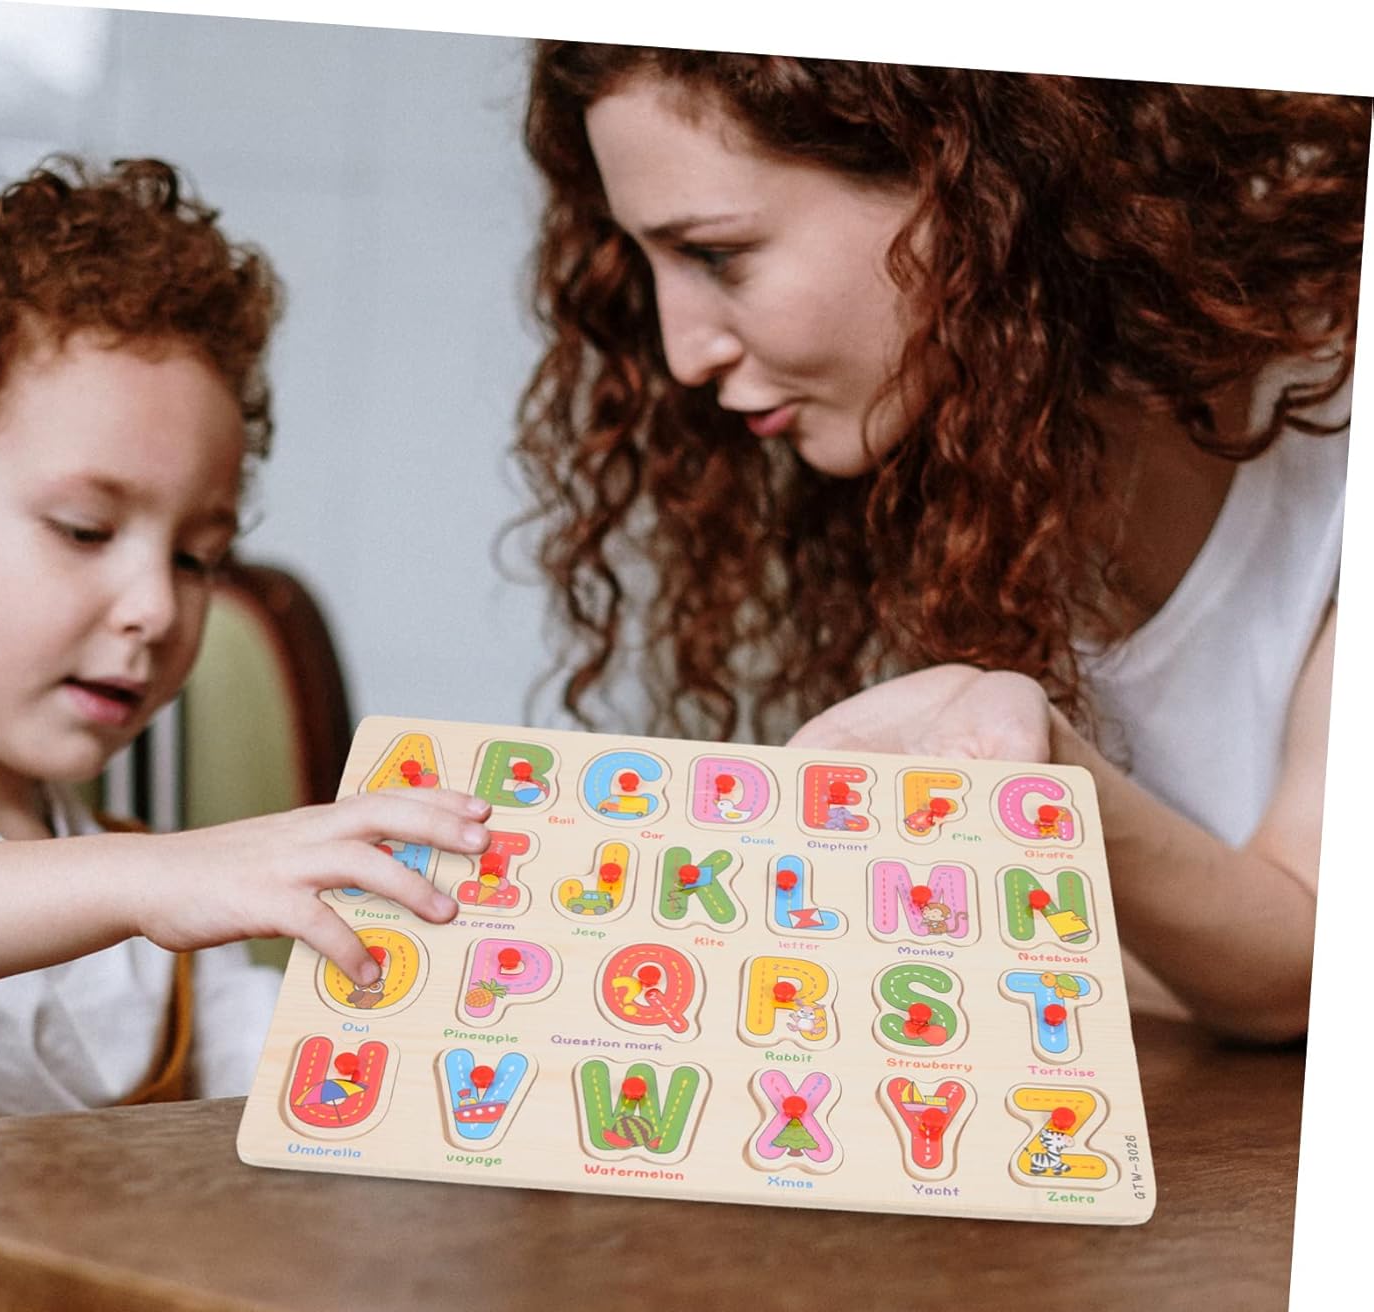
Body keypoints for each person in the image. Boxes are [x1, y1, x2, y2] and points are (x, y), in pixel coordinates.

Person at [517, 47, 1368, 1042]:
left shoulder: (1338, 424)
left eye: (716, 255)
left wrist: (1046, 778)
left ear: (967, 185)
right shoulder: (943, 464)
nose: (681, 351)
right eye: (647, 263)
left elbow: (1314, 961)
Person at [0, 157, 491, 1120]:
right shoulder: (155, 881)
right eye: (85, 530)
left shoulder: (169, 909)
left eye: (196, 558)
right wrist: (153, 877)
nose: (157, 609)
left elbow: (289, 1083)